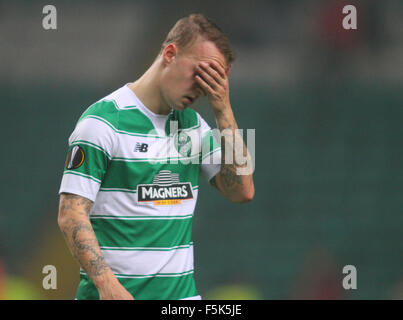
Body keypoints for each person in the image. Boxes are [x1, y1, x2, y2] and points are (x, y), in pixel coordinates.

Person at [58, 13, 254, 300]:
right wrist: (108, 287)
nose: (202, 87)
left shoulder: (192, 126)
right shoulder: (103, 122)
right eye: (200, 74)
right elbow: (70, 214)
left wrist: (223, 110)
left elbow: (242, 191)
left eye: (213, 81)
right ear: (170, 53)